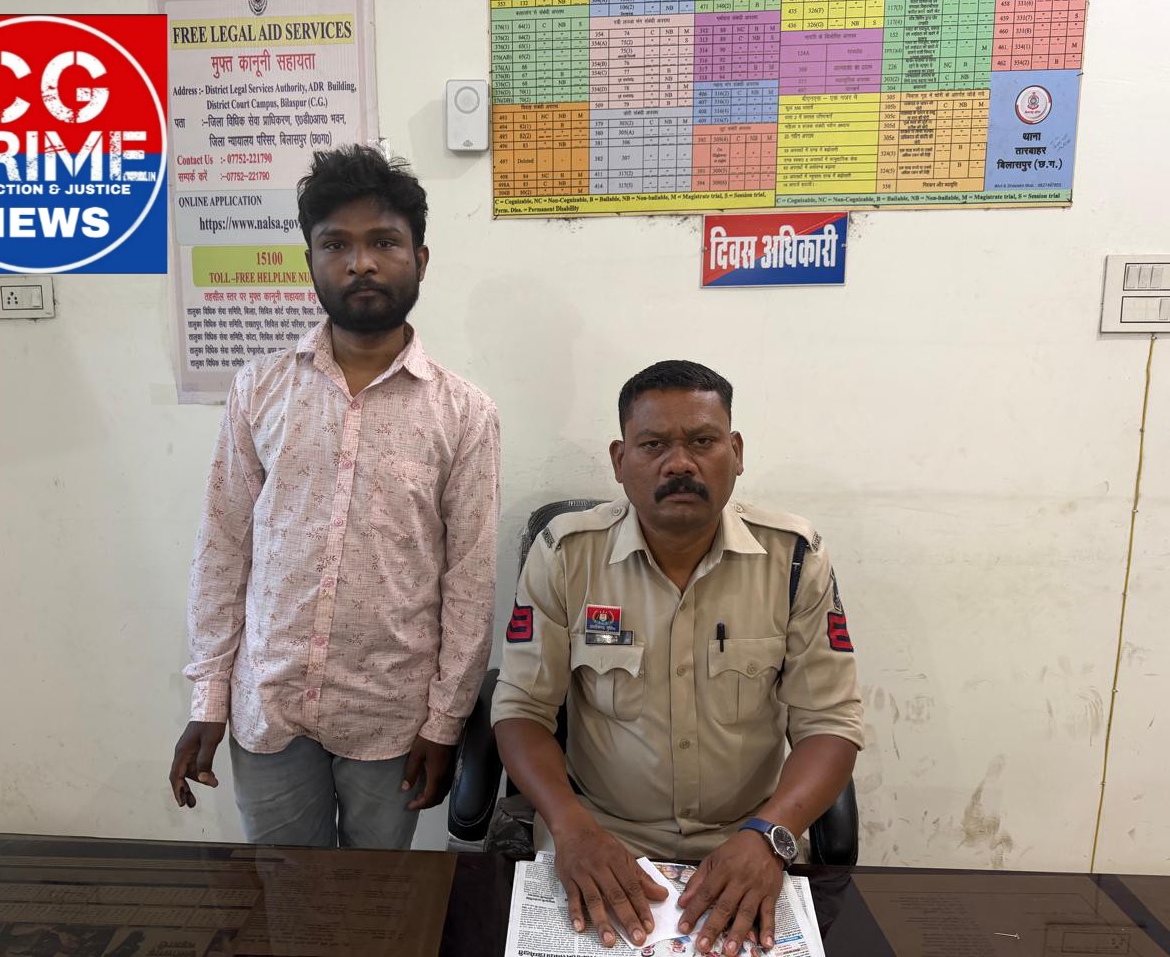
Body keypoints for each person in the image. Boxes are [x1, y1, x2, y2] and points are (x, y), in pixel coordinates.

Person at [169, 145, 501, 849]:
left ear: (421, 258)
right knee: (288, 896)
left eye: (384, 242)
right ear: (310, 260)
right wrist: (209, 696)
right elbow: (223, 548)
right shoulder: (259, 390)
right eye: (337, 245)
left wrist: (445, 721)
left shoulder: (464, 412)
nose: (361, 264)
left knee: (376, 901)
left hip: (392, 715)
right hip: (270, 703)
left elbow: (470, 580)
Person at [492, 360, 862, 956]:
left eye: (702, 441)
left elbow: (830, 722)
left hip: (748, 841)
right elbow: (521, 710)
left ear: (735, 452)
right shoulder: (566, 554)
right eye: (654, 445)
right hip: (599, 839)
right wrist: (571, 827)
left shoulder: (794, 559)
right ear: (620, 460)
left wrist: (769, 836)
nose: (680, 463)